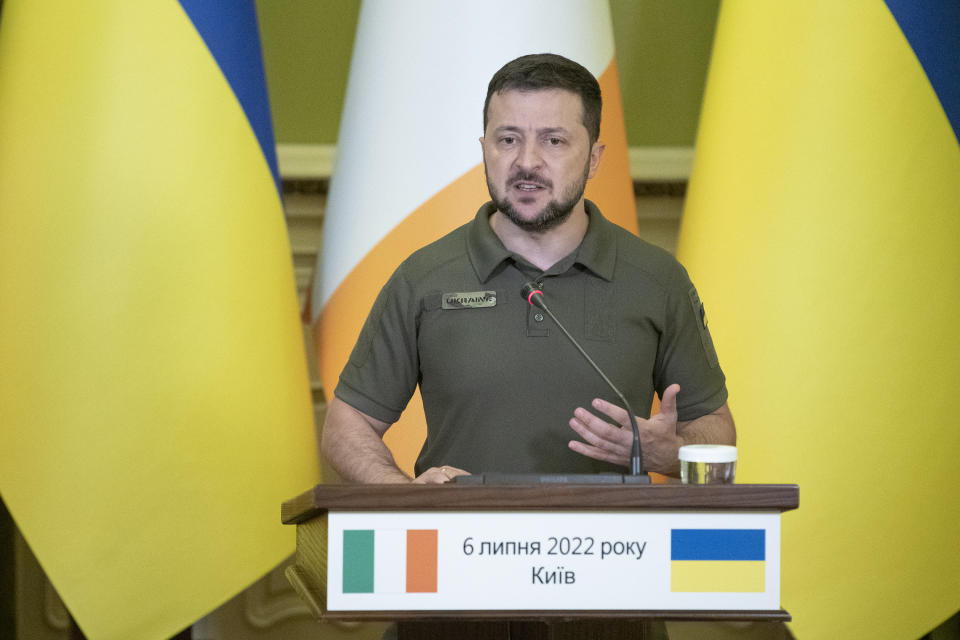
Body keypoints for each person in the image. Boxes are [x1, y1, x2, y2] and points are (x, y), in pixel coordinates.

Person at [321, 53, 734, 485]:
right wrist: (406, 496)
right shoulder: (424, 277)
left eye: (553, 140)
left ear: (594, 158)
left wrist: (669, 454)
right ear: (484, 150)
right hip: (459, 546)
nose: (527, 162)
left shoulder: (656, 279)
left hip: (614, 545)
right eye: (508, 140)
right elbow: (346, 427)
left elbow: (717, 429)